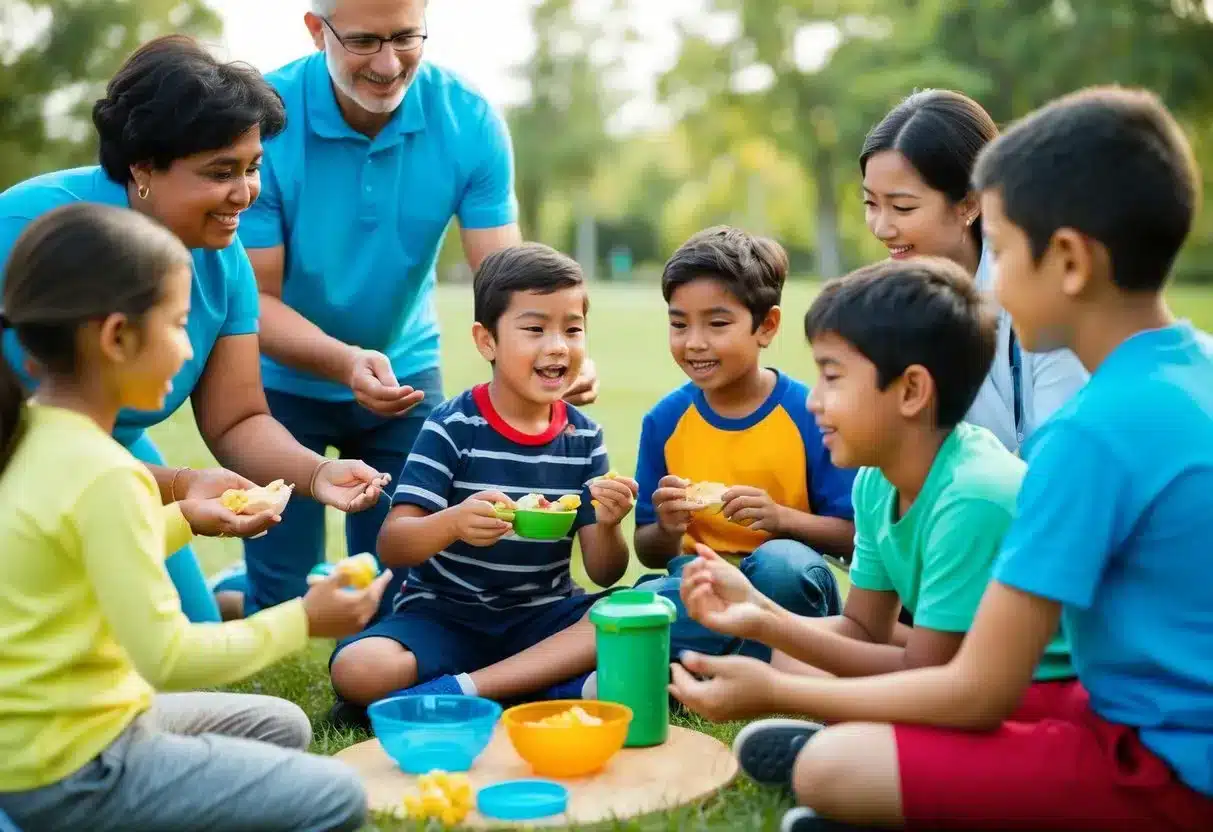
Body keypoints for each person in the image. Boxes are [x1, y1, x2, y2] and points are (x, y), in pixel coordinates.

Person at [668, 87, 1213, 832]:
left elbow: (973, 692)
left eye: (1003, 246)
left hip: (1165, 768)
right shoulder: (1196, 366)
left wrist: (775, 691)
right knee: (868, 725)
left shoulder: (1086, 434)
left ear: (1067, 261)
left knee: (833, 765)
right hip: (1113, 703)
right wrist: (767, 628)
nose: (987, 281)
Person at [0, 202, 394, 832]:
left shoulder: (34, 436)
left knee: (281, 724)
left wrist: (186, 516)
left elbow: (83, 549)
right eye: (179, 325)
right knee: (337, 796)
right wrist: (305, 618)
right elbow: (168, 658)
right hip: (77, 770)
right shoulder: (107, 474)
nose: (188, 347)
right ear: (116, 337)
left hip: (41, 740)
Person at [225, 0, 600, 620]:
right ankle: (243, 593)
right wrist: (345, 362)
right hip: (282, 379)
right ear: (317, 31)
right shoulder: (264, 120)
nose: (389, 62)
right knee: (283, 600)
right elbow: (255, 301)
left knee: (399, 592)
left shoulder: (469, 119)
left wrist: (550, 352)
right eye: (365, 41)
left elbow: (503, 284)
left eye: (405, 37)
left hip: (405, 370)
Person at [0, 35, 390, 625]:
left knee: (192, 637)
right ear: (143, 169)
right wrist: (181, 486)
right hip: (17, 463)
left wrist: (318, 473)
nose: (245, 194)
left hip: (117, 452)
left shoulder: (222, 258)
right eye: (220, 172)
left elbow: (237, 419)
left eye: (253, 167)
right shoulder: (30, 229)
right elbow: (28, 444)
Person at [325, 243, 633, 726]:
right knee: (359, 669)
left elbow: (604, 572)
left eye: (572, 330)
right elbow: (394, 542)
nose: (557, 346)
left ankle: (461, 691)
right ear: (486, 341)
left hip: (543, 618)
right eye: (535, 329)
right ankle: (545, 687)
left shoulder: (585, 438)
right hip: (445, 617)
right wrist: (453, 523)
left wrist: (611, 525)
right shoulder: (454, 426)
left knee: (634, 612)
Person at [630, 226, 852, 659]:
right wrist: (668, 526)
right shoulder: (664, 421)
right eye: (679, 324)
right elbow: (649, 550)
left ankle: (704, 659)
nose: (694, 342)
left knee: (781, 567)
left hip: (787, 584)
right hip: (699, 579)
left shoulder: (812, 414)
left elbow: (856, 536)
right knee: (651, 596)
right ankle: (753, 660)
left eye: (717, 324)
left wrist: (781, 520)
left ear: (766, 326)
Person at [861, 89, 1089, 455]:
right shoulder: (879, 303)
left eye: (902, 207)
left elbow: (1063, 452)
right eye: (871, 203)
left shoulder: (1044, 297)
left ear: (970, 203)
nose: (881, 227)